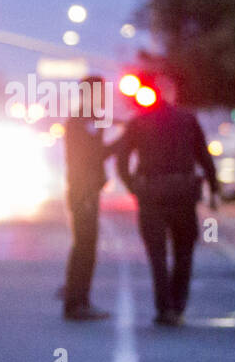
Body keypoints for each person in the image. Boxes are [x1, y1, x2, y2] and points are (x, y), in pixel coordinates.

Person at [114, 76, 219, 326]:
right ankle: (177, 305)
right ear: (172, 93)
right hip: (183, 192)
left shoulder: (138, 122)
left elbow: (121, 161)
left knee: (157, 255)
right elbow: (203, 155)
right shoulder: (187, 119)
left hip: (151, 194)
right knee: (184, 252)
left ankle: (164, 309)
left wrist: (134, 187)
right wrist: (214, 189)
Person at [61, 75, 112, 321]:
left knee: (84, 244)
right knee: (85, 246)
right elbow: (88, 157)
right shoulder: (83, 120)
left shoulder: (91, 119)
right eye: (100, 92)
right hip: (83, 191)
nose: (103, 96)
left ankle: (77, 295)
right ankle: (77, 300)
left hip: (87, 189)